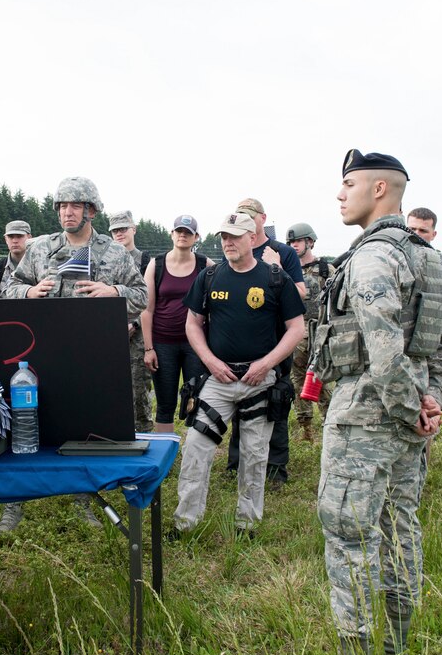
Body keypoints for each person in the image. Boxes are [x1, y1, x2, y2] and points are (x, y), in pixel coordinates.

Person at [306, 150, 442, 655]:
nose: (340, 194)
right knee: (401, 531)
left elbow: (382, 346)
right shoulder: (428, 256)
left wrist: (406, 408)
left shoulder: (373, 256)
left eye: (348, 183)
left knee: (349, 536)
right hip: (409, 416)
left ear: (380, 190)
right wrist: (433, 401)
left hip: (365, 416)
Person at [0, 176, 148, 534]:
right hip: (38, 358)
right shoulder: (39, 250)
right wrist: (30, 292)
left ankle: (85, 499)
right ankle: (14, 503)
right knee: (25, 425)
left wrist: (112, 290)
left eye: (75, 206)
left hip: (91, 357)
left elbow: (141, 296)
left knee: (85, 431)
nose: (67, 212)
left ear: (91, 211)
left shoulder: (114, 252)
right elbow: (9, 287)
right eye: (62, 206)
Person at [169, 211, 305, 539]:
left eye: (234, 236)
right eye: (223, 237)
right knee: (196, 449)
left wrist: (267, 364)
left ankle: (247, 525)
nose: (227, 242)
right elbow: (193, 324)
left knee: (255, 456)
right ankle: (184, 524)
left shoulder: (275, 278)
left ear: (252, 238)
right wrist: (210, 362)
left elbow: (296, 329)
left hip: (261, 382)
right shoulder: (211, 276)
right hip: (218, 380)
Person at [227, 199, 305, 488]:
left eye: (251, 216)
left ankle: (275, 469)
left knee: (276, 401)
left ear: (262, 219)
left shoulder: (282, 252)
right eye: (241, 216)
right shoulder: (234, 250)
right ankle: (236, 464)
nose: (247, 221)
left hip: (276, 339)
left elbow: (300, 292)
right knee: (239, 399)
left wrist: (277, 270)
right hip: (242, 339)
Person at [140, 214, 213, 433]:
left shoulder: (205, 264)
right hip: (163, 343)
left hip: (196, 345)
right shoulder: (157, 264)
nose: (183, 235)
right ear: (172, 234)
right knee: (165, 404)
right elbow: (147, 309)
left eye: (188, 232)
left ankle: (194, 453)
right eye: (179, 231)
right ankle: (166, 456)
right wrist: (148, 348)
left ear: (196, 237)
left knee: (195, 400)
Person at [286, 222, 333, 442]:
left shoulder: (326, 269)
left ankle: (329, 423)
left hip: (320, 332)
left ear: (310, 242)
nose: (293, 245)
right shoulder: (287, 270)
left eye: (297, 241)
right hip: (296, 333)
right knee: (297, 381)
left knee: (322, 379)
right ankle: (305, 427)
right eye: (290, 242)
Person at [109, 209, 154, 433]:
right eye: (115, 230)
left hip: (137, 335)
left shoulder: (146, 261)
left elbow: (149, 299)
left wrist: (134, 324)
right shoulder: (104, 261)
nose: (119, 234)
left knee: (138, 390)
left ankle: (144, 434)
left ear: (133, 229)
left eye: (123, 229)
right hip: (109, 333)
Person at [0, 220, 32, 299]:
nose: (15, 241)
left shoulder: (39, 267)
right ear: (6, 239)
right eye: (11, 237)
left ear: (29, 238)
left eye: (19, 236)